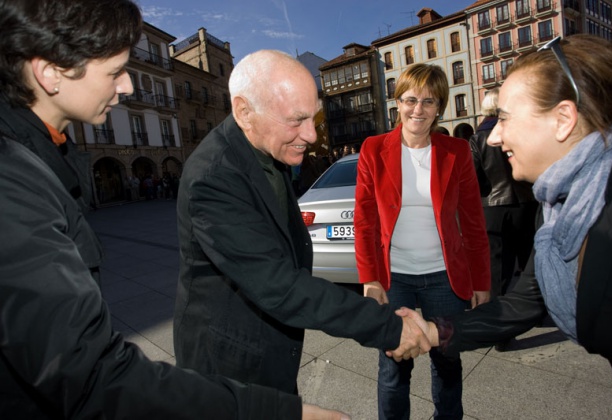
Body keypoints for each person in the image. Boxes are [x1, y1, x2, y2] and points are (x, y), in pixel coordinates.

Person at [0, 0, 350, 418]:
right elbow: (90, 375)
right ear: (50, 71)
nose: (128, 86)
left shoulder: (45, 156)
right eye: (114, 71)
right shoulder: (13, 182)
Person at [173, 49, 428, 396]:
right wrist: (387, 327)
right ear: (245, 112)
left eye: (313, 118)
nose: (310, 135)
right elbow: (277, 285)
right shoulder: (214, 177)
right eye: (296, 120)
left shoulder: (265, 149)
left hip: (270, 350)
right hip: (231, 369)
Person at [403, 35, 612, 419]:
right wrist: (438, 331)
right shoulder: (556, 206)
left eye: (504, 118)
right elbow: (524, 302)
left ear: (563, 120)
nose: (493, 135)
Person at [354, 63, 491, 420]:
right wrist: (370, 278)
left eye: (428, 101)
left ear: (439, 106)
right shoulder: (373, 149)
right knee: (393, 367)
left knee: (447, 363)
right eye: (410, 99)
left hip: (445, 277)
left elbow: (474, 223)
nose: (418, 109)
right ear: (397, 103)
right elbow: (364, 221)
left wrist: (481, 282)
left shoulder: (456, 151)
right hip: (393, 277)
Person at [469, 88, 537, 299]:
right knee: (529, 261)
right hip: (525, 204)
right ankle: (535, 305)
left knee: (498, 267)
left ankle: (498, 314)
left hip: (492, 209)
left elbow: (473, 176)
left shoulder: (479, 138)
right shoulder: (517, 132)